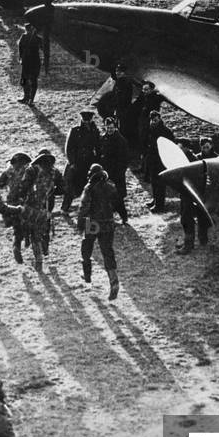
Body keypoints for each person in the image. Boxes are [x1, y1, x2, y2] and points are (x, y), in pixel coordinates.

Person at [77, 163, 120, 300]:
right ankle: (114, 280)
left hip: (93, 222)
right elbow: (117, 203)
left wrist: (80, 222)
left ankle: (87, 276)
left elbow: (84, 207)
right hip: (108, 222)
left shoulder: (89, 188)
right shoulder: (110, 186)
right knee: (107, 251)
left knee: (87, 247)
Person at [174, 138, 214, 254]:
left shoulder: (192, 160)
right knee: (194, 217)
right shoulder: (189, 158)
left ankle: (188, 245)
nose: (178, 150)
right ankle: (201, 240)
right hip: (189, 193)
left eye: (180, 147)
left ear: (186, 148)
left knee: (186, 218)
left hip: (190, 194)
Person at [60, 110, 100, 213]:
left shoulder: (95, 130)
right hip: (77, 162)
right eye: (85, 120)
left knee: (89, 186)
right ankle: (65, 208)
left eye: (88, 120)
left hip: (89, 162)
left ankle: (89, 208)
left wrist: (97, 161)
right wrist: (72, 162)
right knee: (70, 187)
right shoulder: (75, 130)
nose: (87, 122)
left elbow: (98, 147)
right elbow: (68, 148)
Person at [0, 152, 31, 264]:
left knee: (17, 228)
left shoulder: (8, 172)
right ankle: (27, 239)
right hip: (25, 201)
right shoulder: (28, 171)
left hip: (12, 202)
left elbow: (0, 184)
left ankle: (16, 246)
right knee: (28, 222)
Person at [99, 117, 130, 224]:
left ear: (115, 127)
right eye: (108, 128)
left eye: (111, 128)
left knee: (118, 197)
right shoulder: (102, 139)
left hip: (117, 175)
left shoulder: (121, 141)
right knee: (106, 197)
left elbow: (125, 160)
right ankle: (109, 219)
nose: (109, 130)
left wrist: (119, 173)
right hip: (106, 174)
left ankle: (124, 217)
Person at [143, 110, 174, 212]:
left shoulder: (166, 131)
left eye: (155, 120)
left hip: (161, 161)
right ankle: (155, 200)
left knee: (160, 183)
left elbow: (170, 146)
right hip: (152, 159)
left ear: (160, 119)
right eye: (152, 120)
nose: (153, 121)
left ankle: (159, 205)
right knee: (153, 181)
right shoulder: (151, 129)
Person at [16, 22, 42, 104]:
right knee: (28, 80)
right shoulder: (35, 38)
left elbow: (20, 48)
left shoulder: (26, 37)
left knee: (29, 80)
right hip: (31, 61)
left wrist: (21, 58)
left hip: (30, 61)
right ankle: (28, 98)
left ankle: (29, 98)